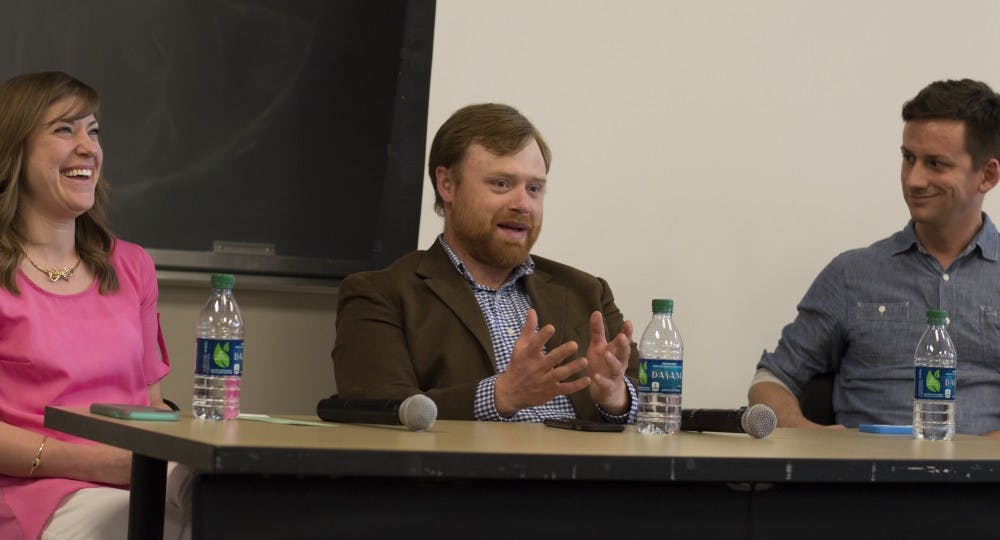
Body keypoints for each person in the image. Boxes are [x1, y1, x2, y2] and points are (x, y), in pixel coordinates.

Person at [332, 103, 639, 422]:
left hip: (589, 471)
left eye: (534, 188)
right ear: (447, 185)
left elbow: (652, 409)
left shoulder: (587, 292)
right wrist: (499, 396)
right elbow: (377, 413)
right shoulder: (379, 295)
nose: (522, 204)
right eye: (501, 184)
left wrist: (616, 398)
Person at [749, 78, 1000, 436]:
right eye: (908, 158)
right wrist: (810, 436)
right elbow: (770, 380)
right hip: (866, 484)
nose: (914, 180)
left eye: (936, 164)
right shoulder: (852, 274)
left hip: (984, 485)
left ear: (987, 175)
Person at [0, 72, 189, 539]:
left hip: (136, 481)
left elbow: (152, 404)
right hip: (35, 492)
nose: (88, 147)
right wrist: (103, 464)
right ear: (13, 150)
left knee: (237, 508)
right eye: (65, 129)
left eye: (93, 131)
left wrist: (176, 444)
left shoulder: (131, 265)